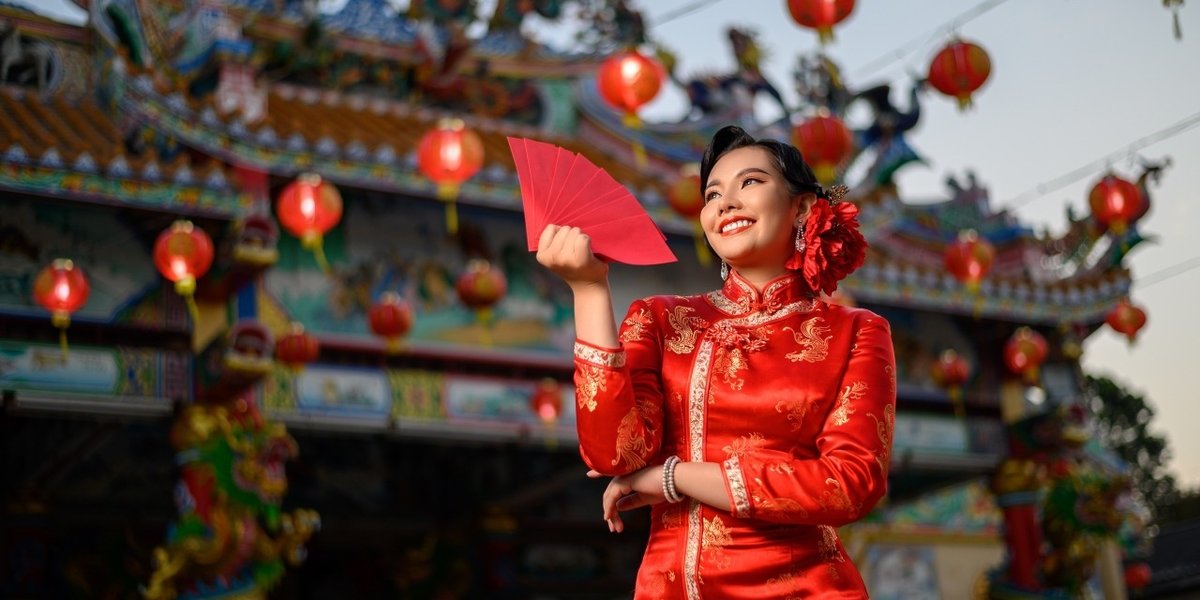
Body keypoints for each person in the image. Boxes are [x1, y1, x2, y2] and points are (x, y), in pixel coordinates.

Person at [536, 125, 896, 598]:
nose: (724, 202)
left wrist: (673, 477)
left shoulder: (857, 331)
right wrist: (587, 290)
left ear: (803, 207)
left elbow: (851, 483)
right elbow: (614, 454)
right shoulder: (662, 320)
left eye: (749, 182)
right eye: (712, 193)